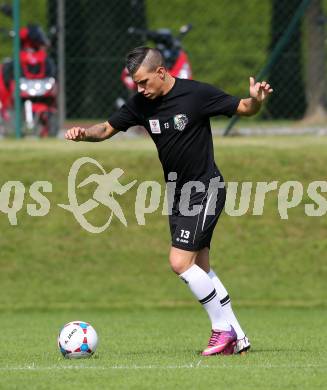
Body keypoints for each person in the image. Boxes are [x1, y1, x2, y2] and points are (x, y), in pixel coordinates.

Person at [65, 47, 273, 356]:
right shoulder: (140, 104)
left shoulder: (196, 94)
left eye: (144, 81)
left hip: (206, 189)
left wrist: (256, 99)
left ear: (162, 72)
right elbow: (106, 128)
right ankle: (238, 337)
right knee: (200, 267)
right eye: (136, 83)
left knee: (179, 262)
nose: (140, 89)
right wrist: (84, 134)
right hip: (178, 196)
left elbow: (244, 108)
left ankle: (223, 331)